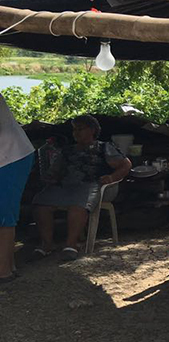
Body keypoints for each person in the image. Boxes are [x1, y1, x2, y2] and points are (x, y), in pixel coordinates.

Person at [33, 115, 131, 260]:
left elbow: (126, 164)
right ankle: (47, 244)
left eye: (80, 129)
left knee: (78, 205)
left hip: (91, 185)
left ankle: (71, 244)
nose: (76, 133)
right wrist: (52, 177)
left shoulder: (104, 147)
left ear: (92, 130)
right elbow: (55, 171)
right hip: (66, 186)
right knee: (40, 202)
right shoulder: (67, 151)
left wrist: (111, 177)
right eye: (74, 130)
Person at [0, 92, 34, 283]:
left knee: (4, 215)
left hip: (11, 156)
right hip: (5, 154)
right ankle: (9, 265)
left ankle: (3, 273)